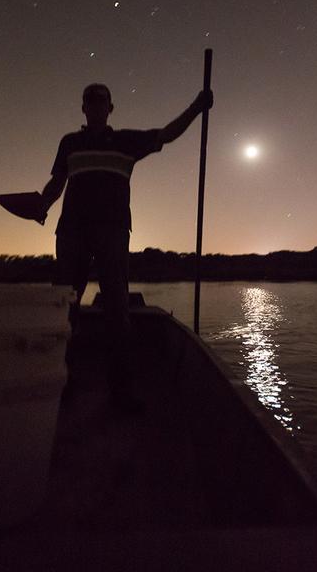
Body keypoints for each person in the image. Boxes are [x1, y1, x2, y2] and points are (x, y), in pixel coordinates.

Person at [38, 82, 213, 410]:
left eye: (101, 100)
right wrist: (42, 205)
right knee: (64, 306)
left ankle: (120, 392)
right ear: (83, 108)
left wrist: (196, 107)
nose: (95, 105)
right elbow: (57, 182)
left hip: (113, 233)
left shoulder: (125, 141)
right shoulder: (69, 143)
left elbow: (167, 134)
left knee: (117, 309)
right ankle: (61, 382)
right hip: (72, 232)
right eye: (89, 100)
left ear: (110, 107)